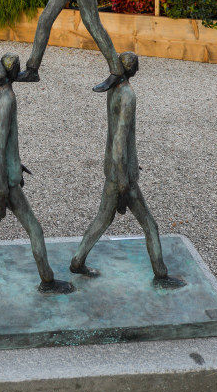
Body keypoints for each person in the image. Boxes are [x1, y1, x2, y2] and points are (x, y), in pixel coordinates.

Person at [0, 54, 73, 293]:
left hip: (3, 175)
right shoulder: (7, 98)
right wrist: (1, 188)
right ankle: (47, 280)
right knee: (34, 229)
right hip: (5, 183)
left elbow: (5, 144)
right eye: (18, 68)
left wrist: (15, 163)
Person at [70, 53, 182, 288]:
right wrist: (124, 182)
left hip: (113, 168)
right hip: (123, 177)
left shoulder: (113, 91)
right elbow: (120, 142)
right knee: (150, 225)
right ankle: (161, 275)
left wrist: (126, 164)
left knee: (102, 219)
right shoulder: (128, 95)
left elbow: (118, 141)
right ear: (133, 70)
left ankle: (78, 260)